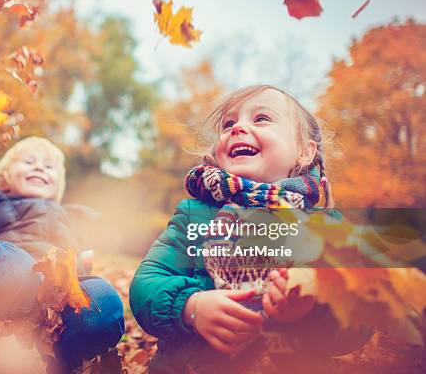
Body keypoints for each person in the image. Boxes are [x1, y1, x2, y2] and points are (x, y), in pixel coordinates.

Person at [129, 85, 372, 373]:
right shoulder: (193, 215)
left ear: (305, 152)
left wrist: (311, 306)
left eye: (261, 119)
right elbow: (147, 283)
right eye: (229, 124)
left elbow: (360, 317)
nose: (238, 127)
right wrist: (191, 307)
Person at [0, 136, 124, 371]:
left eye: (49, 167)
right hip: (7, 297)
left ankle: (60, 361)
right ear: (5, 175)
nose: (39, 167)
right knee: (10, 261)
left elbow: (79, 270)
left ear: (58, 185)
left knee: (104, 300)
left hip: (55, 309)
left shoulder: (72, 218)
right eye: (28, 162)